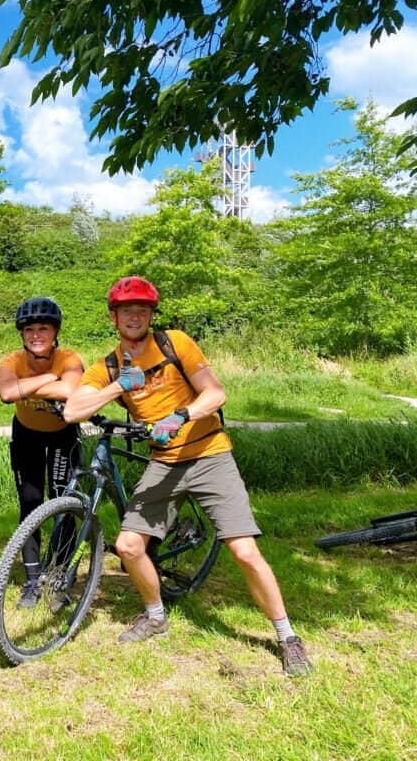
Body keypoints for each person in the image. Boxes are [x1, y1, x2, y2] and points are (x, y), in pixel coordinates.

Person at [63, 276, 313, 676]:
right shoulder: (108, 365)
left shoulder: (174, 343)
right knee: (128, 546)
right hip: (164, 462)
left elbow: (215, 393)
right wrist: (117, 387)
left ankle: (287, 637)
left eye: (142, 309)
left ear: (151, 315)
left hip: (209, 453)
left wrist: (181, 415)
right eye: (127, 310)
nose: (135, 316)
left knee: (244, 551)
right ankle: (155, 615)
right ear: (114, 317)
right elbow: (72, 411)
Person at [0, 297, 84, 608]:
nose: (36, 335)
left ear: (55, 331)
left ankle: (60, 575)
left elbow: (70, 390)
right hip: (27, 435)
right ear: (21, 333)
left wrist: (27, 385)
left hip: (63, 436)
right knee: (30, 505)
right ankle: (32, 581)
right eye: (30, 329)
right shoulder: (11, 361)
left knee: (64, 504)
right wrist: (48, 378)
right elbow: (6, 392)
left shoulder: (70, 358)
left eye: (43, 329)